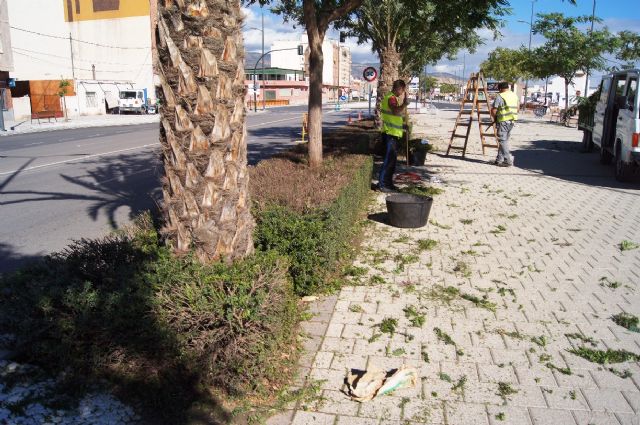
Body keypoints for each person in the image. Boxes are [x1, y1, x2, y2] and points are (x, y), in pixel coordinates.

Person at [378, 79, 408, 192]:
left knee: (392, 161)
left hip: (393, 134)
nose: (402, 92)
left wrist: (404, 126)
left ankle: (388, 184)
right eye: (402, 90)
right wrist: (404, 103)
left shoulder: (393, 98)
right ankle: (382, 184)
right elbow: (395, 111)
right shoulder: (391, 98)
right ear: (399, 88)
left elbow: (396, 116)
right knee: (388, 160)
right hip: (389, 134)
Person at [491, 81, 518, 167]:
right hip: (512, 121)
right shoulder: (514, 95)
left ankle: (507, 160)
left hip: (503, 121)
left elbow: (494, 110)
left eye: (499, 90)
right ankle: (499, 159)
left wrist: (495, 118)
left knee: (502, 141)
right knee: (504, 141)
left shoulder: (500, 96)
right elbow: (518, 108)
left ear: (500, 89)